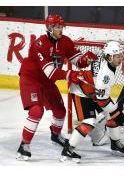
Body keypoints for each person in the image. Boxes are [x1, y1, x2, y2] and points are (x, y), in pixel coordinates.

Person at [16, 14, 97, 161]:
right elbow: (50, 72)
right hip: (31, 78)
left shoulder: (65, 41)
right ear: (49, 28)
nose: (61, 30)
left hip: (47, 81)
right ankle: (24, 145)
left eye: (62, 27)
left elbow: (78, 61)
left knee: (60, 111)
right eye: (58, 27)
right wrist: (69, 74)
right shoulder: (40, 44)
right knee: (36, 111)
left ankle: (55, 135)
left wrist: (87, 59)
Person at [60, 41, 124, 163]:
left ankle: (115, 144)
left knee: (112, 115)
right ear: (109, 57)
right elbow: (102, 101)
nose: (121, 59)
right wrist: (117, 113)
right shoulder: (105, 75)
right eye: (118, 56)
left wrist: (115, 113)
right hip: (82, 92)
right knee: (90, 121)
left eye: (121, 55)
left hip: (94, 90)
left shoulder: (105, 57)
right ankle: (68, 150)